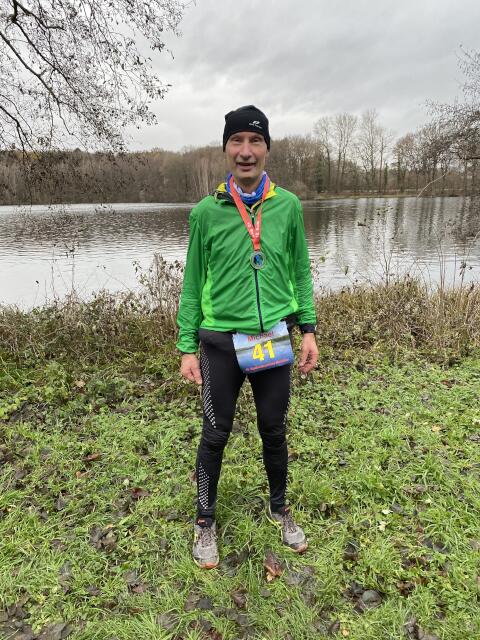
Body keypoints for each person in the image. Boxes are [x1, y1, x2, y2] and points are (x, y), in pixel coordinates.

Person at [176, 105, 318, 569]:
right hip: (220, 343)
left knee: (273, 429)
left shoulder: (288, 206)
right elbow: (193, 283)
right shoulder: (205, 213)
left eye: (255, 141)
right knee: (215, 433)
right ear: (225, 149)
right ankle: (204, 521)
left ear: (267, 149)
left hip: (273, 337)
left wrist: (309, 329)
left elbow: (301, 271)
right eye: (236, 140)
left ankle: (279, 509)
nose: (246, 151)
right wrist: (186, 347)